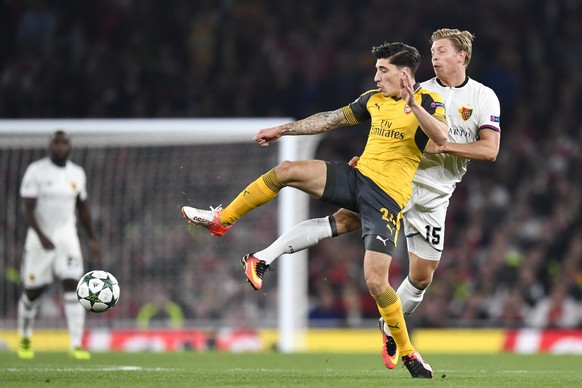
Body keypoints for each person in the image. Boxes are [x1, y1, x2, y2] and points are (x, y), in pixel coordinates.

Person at [235, 29, 501, 370]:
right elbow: (386, 130)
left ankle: (388, 325)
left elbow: (489, 150)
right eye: (432, 51)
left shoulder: (483, 97)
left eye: (442, 51)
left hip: (437, 196)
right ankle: (263, 257)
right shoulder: (419, 91)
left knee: (421, 278)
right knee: (343, 221)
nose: (434, 56)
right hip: (401, 182)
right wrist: (371, 161)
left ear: (461, 56)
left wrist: (444, 144)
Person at [183, 41, 448, 378]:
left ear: (404, 74)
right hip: (358, 178)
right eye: (377, 69)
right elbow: (330, 119)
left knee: (375, 281)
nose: (376, 76)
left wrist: (414, 104)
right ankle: (222, 220)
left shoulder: (428, 102)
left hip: (386, 199)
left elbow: (440, 139)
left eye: (383, 70)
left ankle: (409, 353)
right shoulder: (373, 100)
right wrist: (282, 130)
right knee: (287, 170)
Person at [17, 130, 100, 360]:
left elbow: (82, 208)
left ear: (70, 147)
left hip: (67, 237)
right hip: (39, 238)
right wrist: (41, 235)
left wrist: (92, 237)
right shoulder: (36, 171)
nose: (61, 146)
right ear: (50, 146)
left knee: (73, 284)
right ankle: (24, 336)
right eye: (57, 142)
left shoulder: (77, 173)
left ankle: (75, 344)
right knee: (33, 291)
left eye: (64, 143)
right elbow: (27, 208)